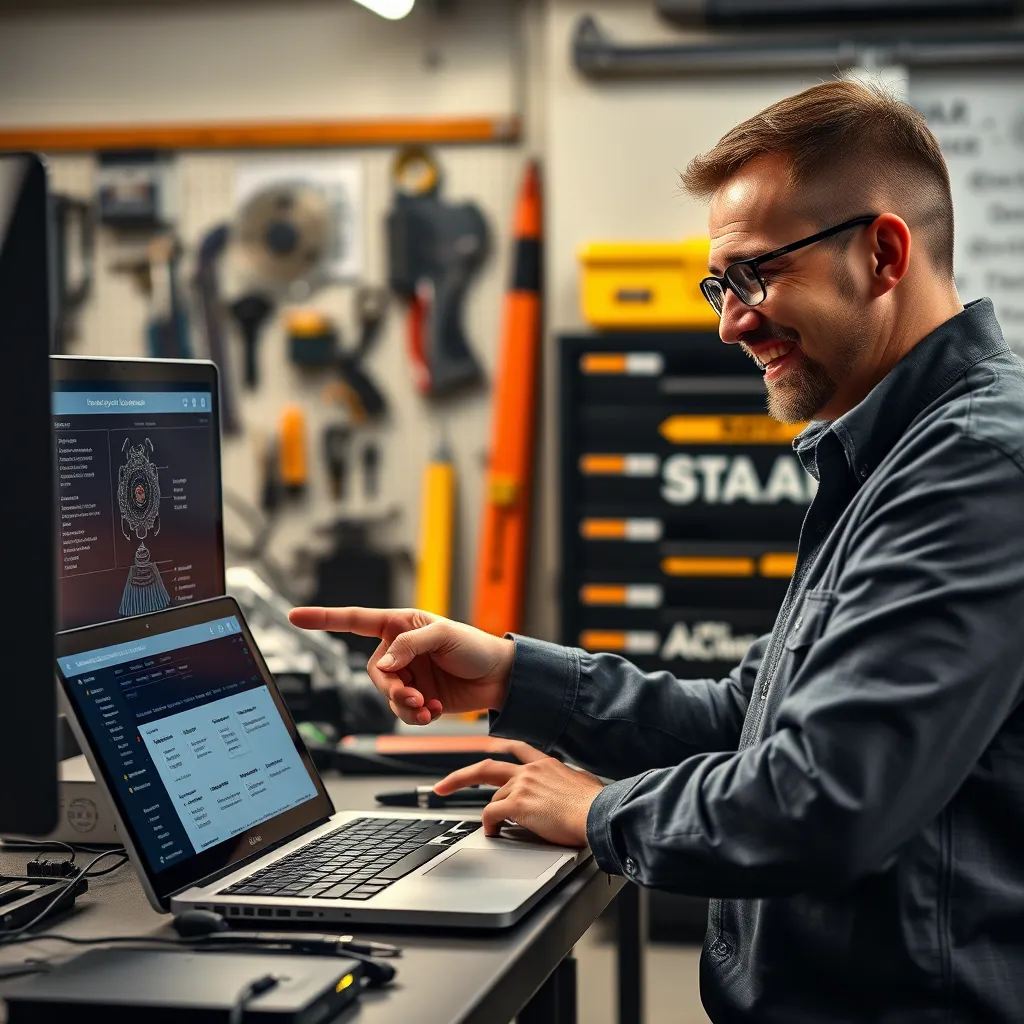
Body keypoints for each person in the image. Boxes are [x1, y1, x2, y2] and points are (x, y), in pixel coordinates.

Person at [291, 79, 1024, 1022]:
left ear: (882, 253)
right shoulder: (889, 451)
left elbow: (825, 796)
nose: (730, 321)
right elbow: (747, 719)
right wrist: (514, 675)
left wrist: (598, 812)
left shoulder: (973, 467)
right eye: (720, 286)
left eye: (755, 275)